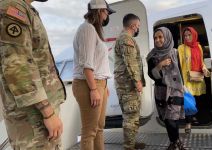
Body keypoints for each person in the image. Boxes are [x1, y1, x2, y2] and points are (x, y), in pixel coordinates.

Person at [0, 0, 66, 149]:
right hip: (32, 118)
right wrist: (47, 112)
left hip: (38, 115)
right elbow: (17, 66)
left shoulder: (25, 9)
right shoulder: (13, 8)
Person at [72, 0, 115, 149]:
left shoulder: (93, 30)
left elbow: (97, 64)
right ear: (99, 11)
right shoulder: (87, 29)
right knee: (89, 131)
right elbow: (87, 64)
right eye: (106, 12)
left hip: (98, 83)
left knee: (99, 127)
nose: (107, 16)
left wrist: (103, 86)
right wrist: (94, 89)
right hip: (88, 84)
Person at [146, 27, 185, 150]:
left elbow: (180, 71)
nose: (157, 40)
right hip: (161, 91)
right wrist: (159, 66)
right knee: (168, 119)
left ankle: (175, 143)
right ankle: (175, 143)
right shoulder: (152, 56)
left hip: (175, 90)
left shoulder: (175, 52)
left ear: (167, 37)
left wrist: (183, 86)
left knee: (173, 117)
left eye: (160, 37)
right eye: (155, 38)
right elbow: (151, 75)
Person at [114, 13, 146, 150]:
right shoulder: (126, 39)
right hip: (128, 86)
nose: (138, 28)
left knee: (132, 116)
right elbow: (130, 62)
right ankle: (128, 147)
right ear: (133, 26)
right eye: (138, 26)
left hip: (128, 85)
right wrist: (137, 81)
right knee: (130, 117)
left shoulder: (125, 38)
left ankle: (131, 142)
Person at [177, 27, 210, 134]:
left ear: (194, 35)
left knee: (197, 99)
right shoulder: (181, 48)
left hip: (198, 77)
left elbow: (201, 62)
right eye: (185, 36)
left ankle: (194, 117)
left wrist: (204, 69)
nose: (187, 37)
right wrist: (180, 81)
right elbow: (178, 65)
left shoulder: (199, 47)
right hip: (187, 79)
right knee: (189, 101)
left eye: (189, 35)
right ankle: (188, 123)